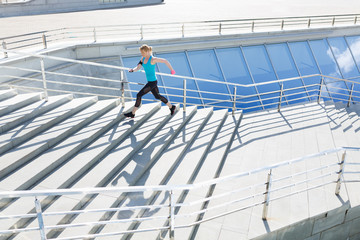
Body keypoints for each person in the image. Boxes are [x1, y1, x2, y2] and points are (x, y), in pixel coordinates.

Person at [124, 44, 176, 118]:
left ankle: (132, 113)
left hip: (153, 82)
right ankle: (171, 107)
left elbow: (165, 61)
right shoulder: (143, 58)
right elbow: (138, 67)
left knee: (139, 95)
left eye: (143, 53)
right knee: (157, 96)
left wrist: (172, 70)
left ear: (147, 51)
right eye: (141, 53)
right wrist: (133, 70)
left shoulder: (153, 59)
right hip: (150, 82)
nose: (142, 54)